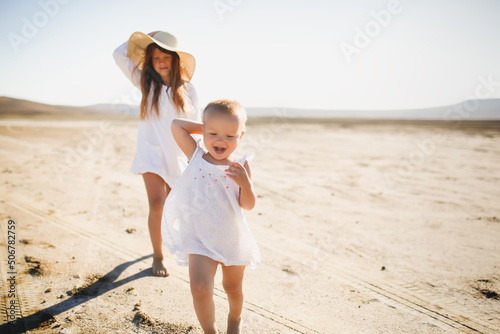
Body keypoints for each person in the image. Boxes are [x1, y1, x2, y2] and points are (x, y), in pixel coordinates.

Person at [162, 100, 261, 333]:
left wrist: (245, 185)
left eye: (230, 136)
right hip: (199, 238)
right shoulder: (195, 155)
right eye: (213, 133)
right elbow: (177, 125)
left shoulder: (241, 165)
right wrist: (206, 127)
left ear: (240, 136)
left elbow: (248, 205)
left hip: (231, 238)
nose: (220, 141)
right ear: (204, 131)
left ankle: (234, 319)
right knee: (199, 288)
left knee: (232, 287)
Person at [113, 31, 200, 276]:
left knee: (173, 206)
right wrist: (148, 37)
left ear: (175, 60)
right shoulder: (145, 83)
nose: (161, 61)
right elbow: (118, 54)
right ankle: (158, 256)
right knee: (156, 204)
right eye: (155, 57)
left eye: (166, 56)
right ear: (150, 61)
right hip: (150, 153)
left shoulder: (189, 90)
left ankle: (170, 242)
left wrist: (197, 157)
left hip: (177, 155)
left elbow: (194, 127)